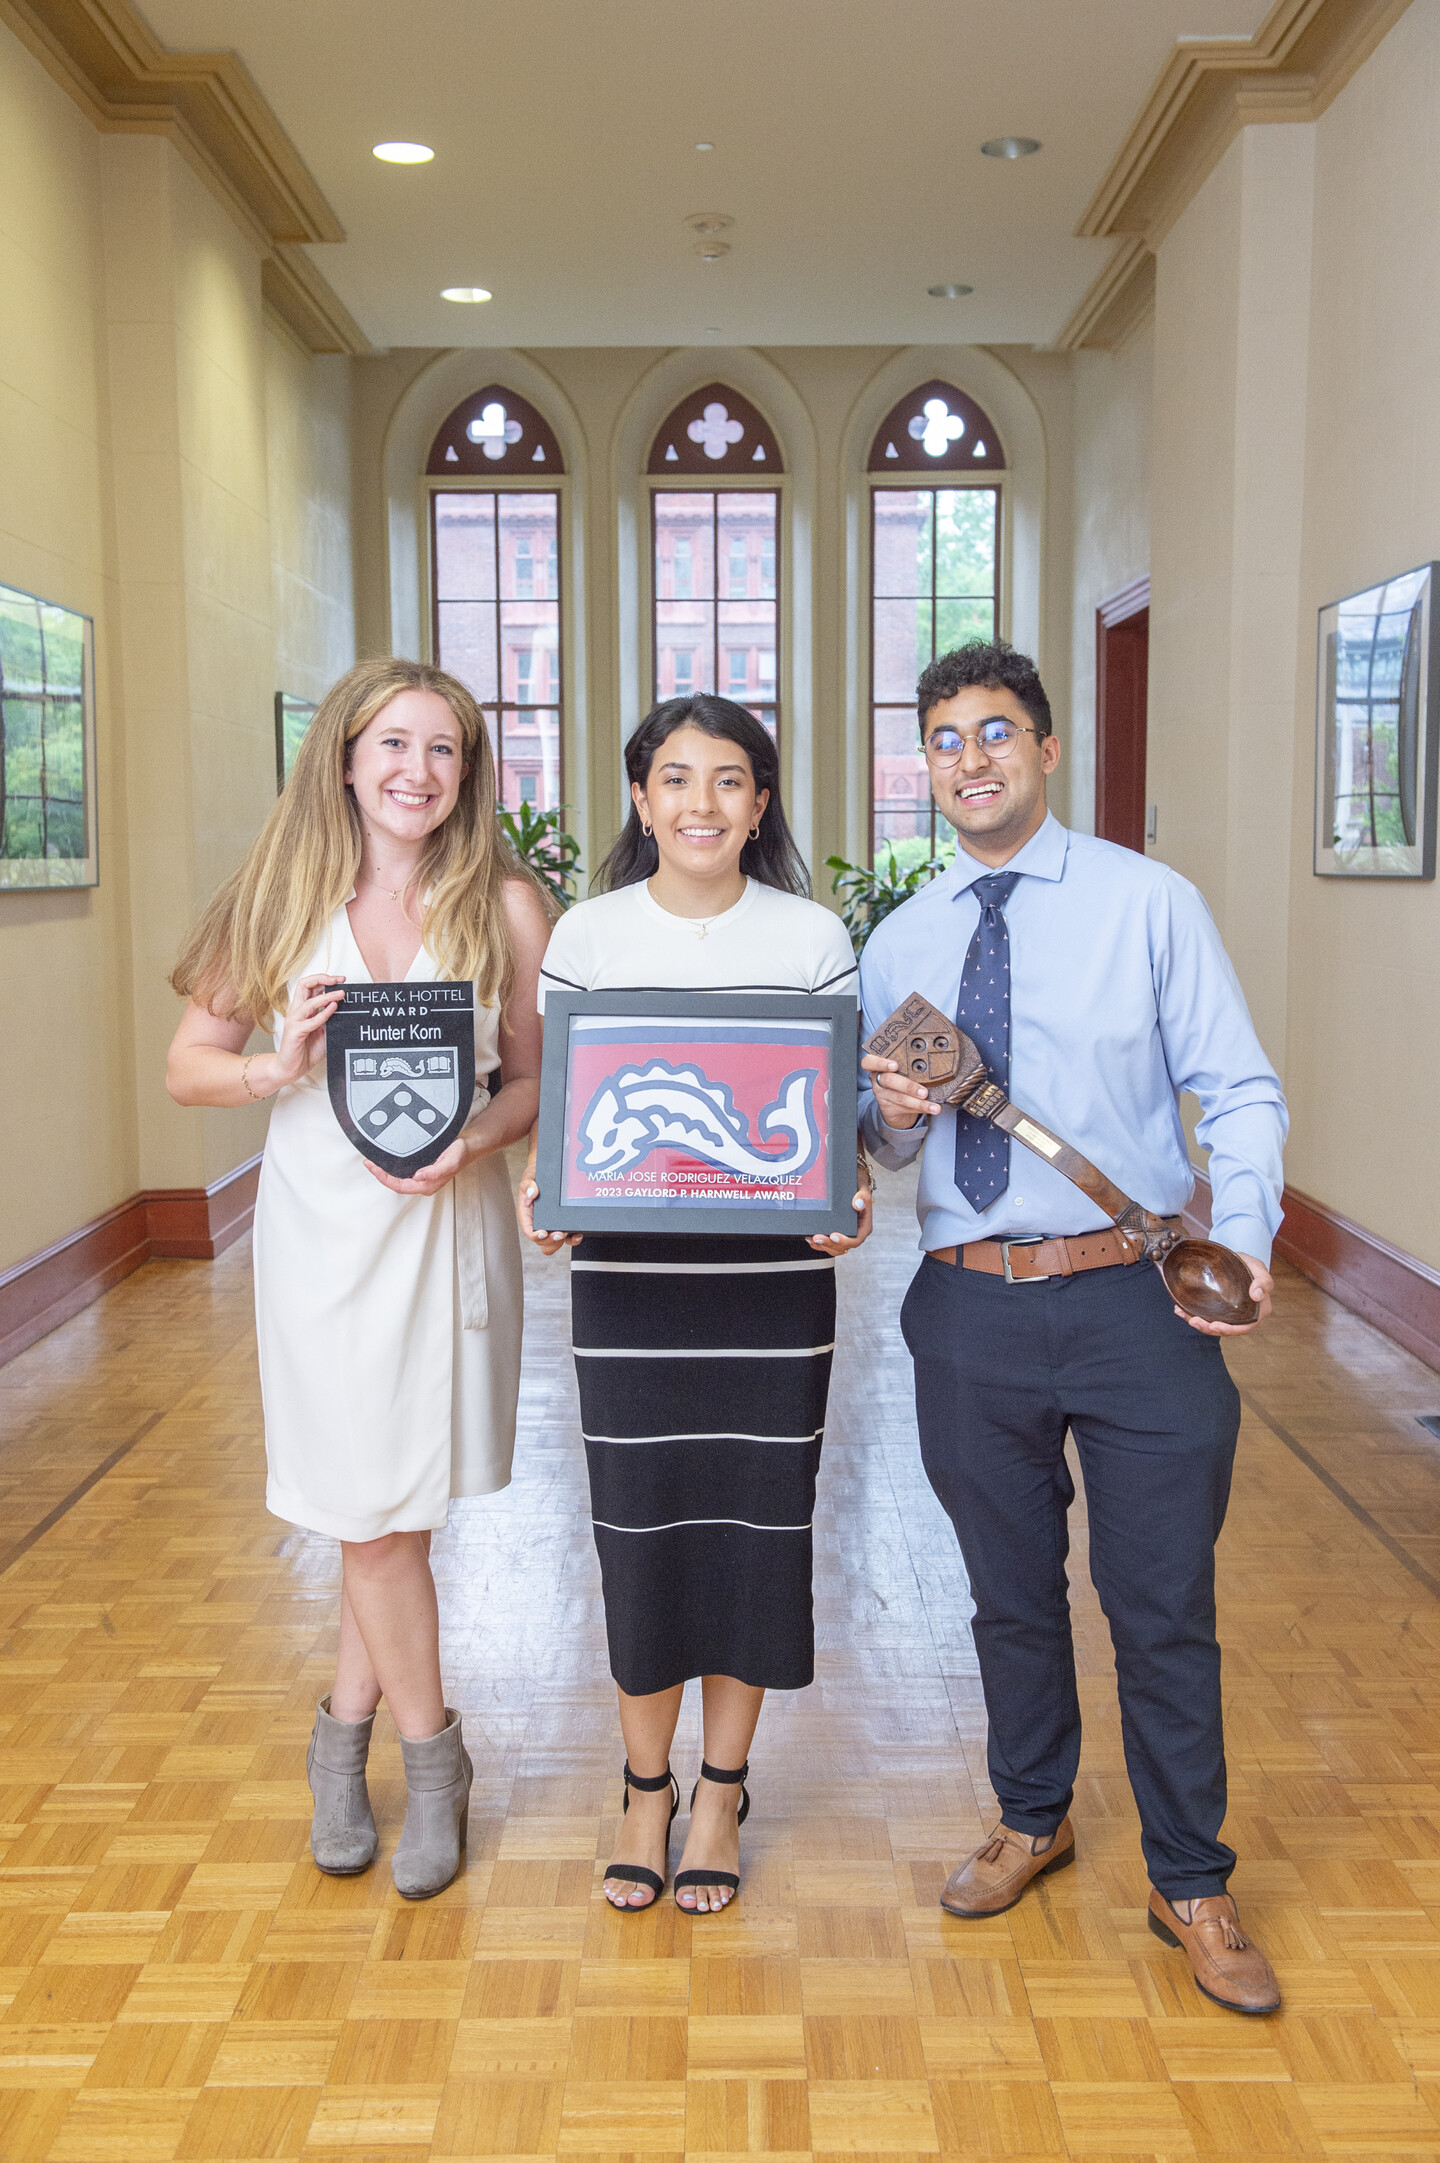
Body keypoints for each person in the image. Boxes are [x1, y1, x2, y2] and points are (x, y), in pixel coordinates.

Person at [859, 641, 1288, 2016]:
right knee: (1008, 1593)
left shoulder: (1147, 904)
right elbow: (876, 1138)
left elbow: (1239, 1087)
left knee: (1160, 1601)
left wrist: (1253, 1235)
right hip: (966, 1300)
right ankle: (1031, 1812)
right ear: (924, 767)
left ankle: (1191, 1875)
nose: (970, 756)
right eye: (943, 737)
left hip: (1136, 1297)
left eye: (996, 730)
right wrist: (889, 1119)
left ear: (1047, 750)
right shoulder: (902, 935)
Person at [167, 658, 551, 1900]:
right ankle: (434, 1759)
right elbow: (188, 1067)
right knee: (369, 1512)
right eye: (394, 744)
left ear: (467, 774)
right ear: (345, 757)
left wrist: (474, 1141)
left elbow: (542, 1084)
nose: (416, 773)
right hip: (325, 1242)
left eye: (444, 751)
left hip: (452, 1233)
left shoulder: (503, 906)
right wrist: (275, 1068)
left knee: (393, 1513)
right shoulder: (276, 902)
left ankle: (340, 1741)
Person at [518, 693, 870, 1912]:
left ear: (761, 803)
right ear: (640, 798)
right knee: (642, 1526)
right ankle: (644, 1787)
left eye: (729, 781)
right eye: (676, 778)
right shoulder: (590, 935)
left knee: (756, 1532)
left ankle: (722, 1791)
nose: (701, 804)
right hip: (631, 1285)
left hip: (772, 1290)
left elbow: (835, 1129)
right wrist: (544, 1191)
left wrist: (849, 1190)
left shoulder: (812, 935)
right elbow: (564, 1116)